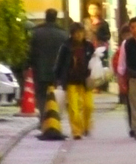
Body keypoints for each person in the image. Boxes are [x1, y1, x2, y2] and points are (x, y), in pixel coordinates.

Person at [27, 10, 72, 141]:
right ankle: (55, 123)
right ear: (56, 18)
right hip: (57, 73)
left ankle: (43, 122)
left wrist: (28, 65)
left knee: (41, 97)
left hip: (40, 70)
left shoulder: (36, 33)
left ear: (46, 17)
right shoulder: (63, 34)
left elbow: (30, 53)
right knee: (56, 98)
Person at [66, 19, 95, 138]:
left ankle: (86, 126)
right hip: (71, 80)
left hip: (85, 79)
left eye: (80, 32)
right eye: (76, 32)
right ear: (72, 34)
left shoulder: (88, 46)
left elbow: (95, 60)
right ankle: (76, 131)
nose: (78, 35)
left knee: (88, 106)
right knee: (73, 108)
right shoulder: (66, 46)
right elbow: (60, 64)